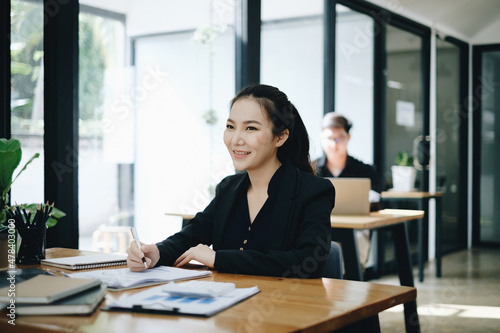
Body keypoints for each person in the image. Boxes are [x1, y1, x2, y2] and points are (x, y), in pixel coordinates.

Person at [127, 84, 335, 278]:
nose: (236, 139)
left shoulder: (313, 191)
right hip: (227, 306)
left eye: (250, 128)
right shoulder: (229, 188)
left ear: (280, 137)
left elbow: (308, 261)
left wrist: (219, 259)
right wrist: (156, 252)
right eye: (230, 126)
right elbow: (192, 235)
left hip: (285, 308)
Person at [314, 112, 382, 195]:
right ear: (321, 137)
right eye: (329, 138)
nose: (334, 144)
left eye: (339, 138)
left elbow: (376, 199)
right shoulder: (310, 169)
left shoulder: (365, 171)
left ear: (348, 137)